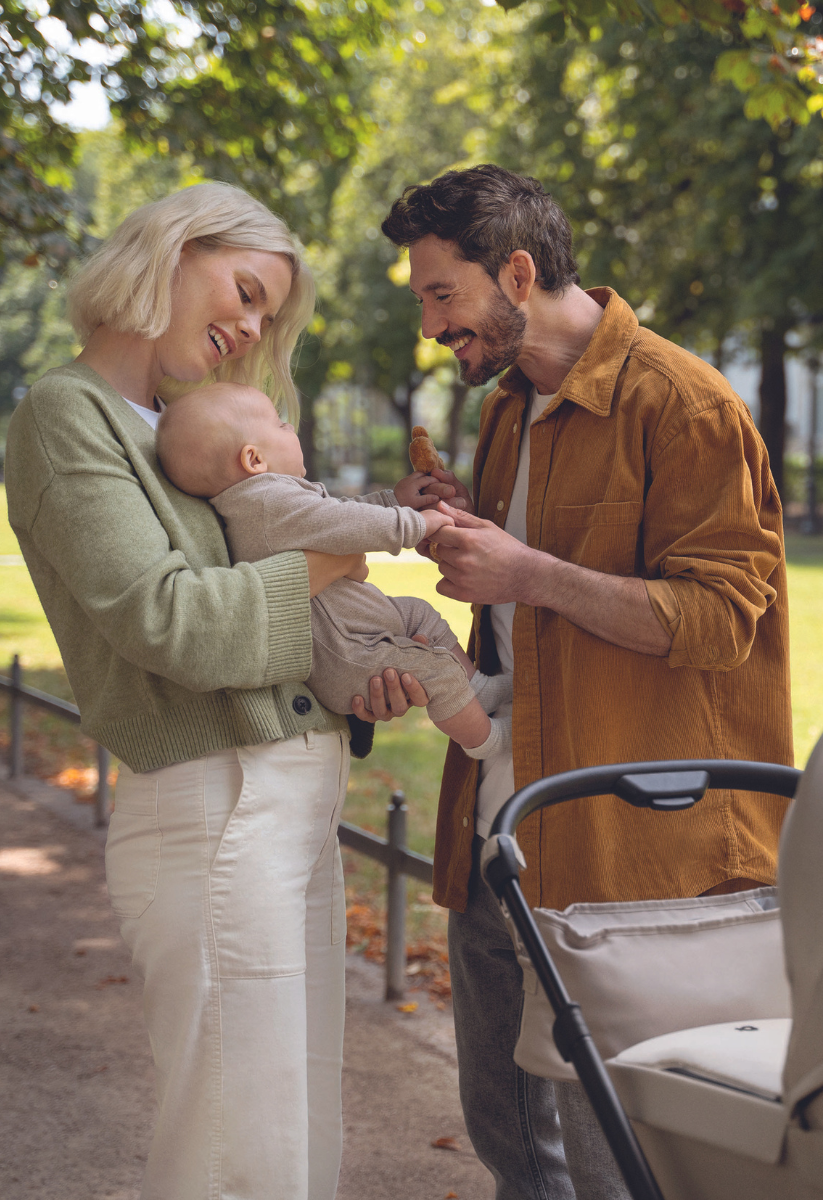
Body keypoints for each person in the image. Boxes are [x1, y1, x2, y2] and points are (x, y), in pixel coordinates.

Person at [4, 183, 427, 1200]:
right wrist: (334, 558)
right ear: (172, 250)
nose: (248, 329)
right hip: (212, 808)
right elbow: (170, 622)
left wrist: (349, 686)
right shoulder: (69, 416)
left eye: (265, 316)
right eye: (243, 291)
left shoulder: (178, 424)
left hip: (283, 805)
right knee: (240, 1148)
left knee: (289, 1125)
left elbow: (254, 612)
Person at [381, 164, 793, 1200]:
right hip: (502, 815)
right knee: (506, 1129)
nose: (433, 326)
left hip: (626, 846)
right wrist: (472, 522)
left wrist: (532, 574)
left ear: (517, 272)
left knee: (615, 1153)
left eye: (443, 296)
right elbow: (533, 596)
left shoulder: (685, 404)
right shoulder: (513, 408)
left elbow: (720, 621)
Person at [155, 381, 512, 756]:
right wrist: (417, 524)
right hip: (347, 651)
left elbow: (334, 517)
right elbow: (343, 523)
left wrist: (394, 499)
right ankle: (487, 741)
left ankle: (478, 688)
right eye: (280, 424)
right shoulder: (265, 504)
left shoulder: (267, 500)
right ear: (253, 459)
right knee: (433, 668)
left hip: (356, 624)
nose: (291, 427)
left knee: (418, 613)